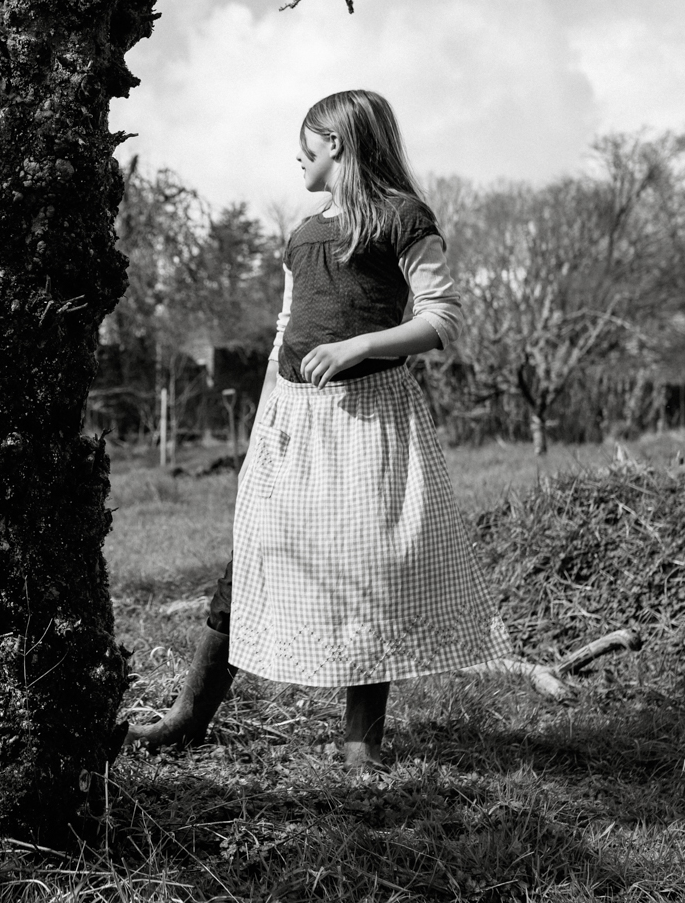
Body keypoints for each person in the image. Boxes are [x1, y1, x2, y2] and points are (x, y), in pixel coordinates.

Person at [127, 89, 509, 767]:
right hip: (295, 423)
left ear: (337, 143)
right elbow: (284, 332)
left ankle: (361, 740)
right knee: (256, 553)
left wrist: (361, 347)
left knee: (369, 563)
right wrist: (263, 426)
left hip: (370, 416)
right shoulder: (303, 234)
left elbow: (443, 316)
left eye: (306, 143)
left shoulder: (402, 217)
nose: (296, 155)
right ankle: (190, 715)